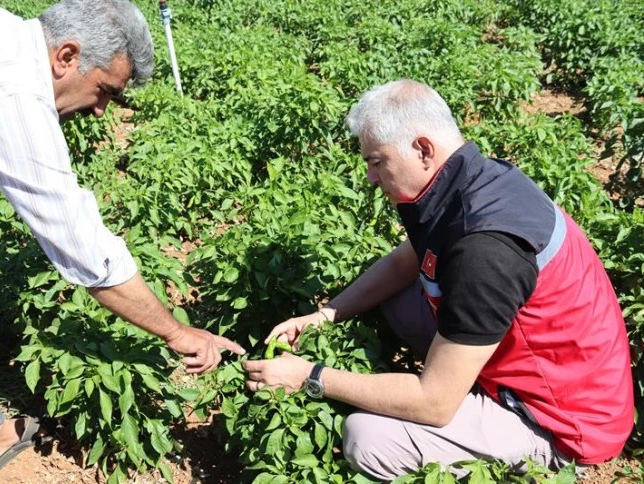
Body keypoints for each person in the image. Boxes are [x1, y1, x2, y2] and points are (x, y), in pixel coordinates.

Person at [243, 79, 634, 480]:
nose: (370, 179)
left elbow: (434, 403)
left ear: (424, 150)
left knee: (368, 437)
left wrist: (310, 377)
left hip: (561, 423)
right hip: (544, 367)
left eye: (377, 162)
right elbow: (402, 265)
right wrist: (324, 316)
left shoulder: (485, 249)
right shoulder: (471, 182)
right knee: (396, 298)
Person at [0, 0, 244, 478]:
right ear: (66, 56)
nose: (102, 110)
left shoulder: (2, 35)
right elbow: (80, 241)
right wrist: (177, 332)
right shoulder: (12, 98)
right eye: (104, 90)